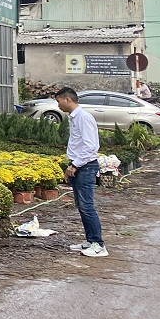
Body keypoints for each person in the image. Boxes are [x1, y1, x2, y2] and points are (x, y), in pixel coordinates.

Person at [55, 87, 107, 257]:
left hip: (85, 166)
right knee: (82, 206)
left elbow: (91, 146)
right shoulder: (74, 117)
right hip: (78, 165)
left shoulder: (83, 117)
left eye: (58, 101)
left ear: (67, 100)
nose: (58, 105)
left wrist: (75, 165)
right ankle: (90, 241)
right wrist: (71, 165)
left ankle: (98, 245)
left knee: (87, 206)